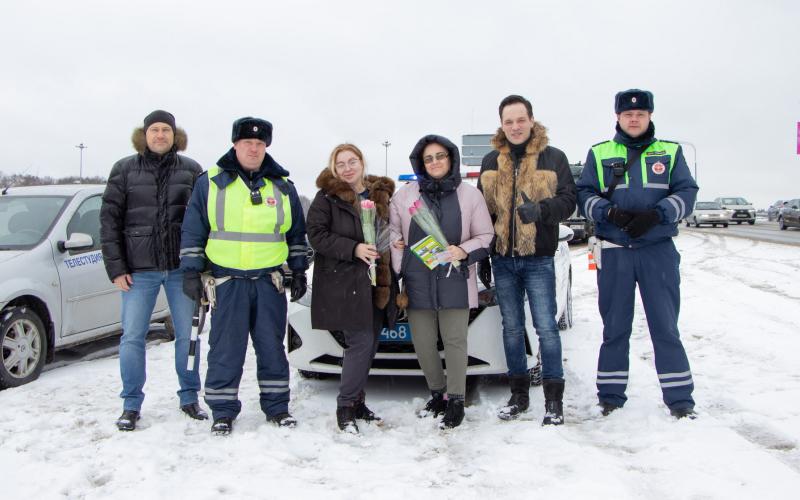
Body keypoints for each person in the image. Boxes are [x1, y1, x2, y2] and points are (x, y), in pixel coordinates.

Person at [179, 117, 309, 435]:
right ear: (235, 145)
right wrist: (191, 272)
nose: (253, 148)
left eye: (260, 144)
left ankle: (277, 408)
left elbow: (296, 233)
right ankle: (222, 411)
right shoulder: (210, 182)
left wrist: (300, 270)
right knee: (226, 349)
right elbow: (193, 229)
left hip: (269, 283)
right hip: (227, 282)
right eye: (247, 143)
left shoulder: (282, 186)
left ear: (266, 147)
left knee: (271, 348)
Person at [576, 89, 698, 419]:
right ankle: (611, 395)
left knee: (665, 326)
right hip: (615, 252)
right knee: (615, 326)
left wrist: (657, 215)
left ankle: (680, 399)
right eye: (628, 114)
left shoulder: (670, 152)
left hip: (657, 250)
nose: (634, 118)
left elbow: (688, 192)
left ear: (650, 116)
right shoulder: (600, 152)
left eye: (641, 114)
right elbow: (583, 194)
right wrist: (609, 213)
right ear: (617, 117)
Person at [101, 109, 206, 431]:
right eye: (154, 130)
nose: (160, 135)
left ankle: (189, 397)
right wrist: (117, 267)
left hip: (180, 270)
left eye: (166, 130)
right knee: (133, 337)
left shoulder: (191, 171)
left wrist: (201, 266)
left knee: (187, 336)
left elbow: (205, 221)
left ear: (175, 136)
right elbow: (109, 221)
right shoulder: (124, 170)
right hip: (139, 271)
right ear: (144, 135)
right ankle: (131, 403)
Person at [478, 95, 576, 425]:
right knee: (512, 329)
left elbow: (569, 202)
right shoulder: (491, 161)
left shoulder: (554, 157)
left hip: (539, 259)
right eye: (509, 121)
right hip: (503, 260)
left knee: (546, 328)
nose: (515, 127)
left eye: (521, 120)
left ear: (532, 120)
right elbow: (482, 212)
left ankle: (553, 401)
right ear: (501, 125)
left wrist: (542, 211)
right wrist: (483, 253)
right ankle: (518, 396)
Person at [390, 135, 493, 429]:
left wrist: (462, 251)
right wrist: (397, 247)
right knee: (422, 343)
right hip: (417, 278)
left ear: (451, 159)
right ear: (420, 164)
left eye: (440, 156)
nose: (435, 162)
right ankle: (438, 394)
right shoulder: (405, 195)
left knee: (455, 341)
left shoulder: (470, 195)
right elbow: (392, 232)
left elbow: (485, 236)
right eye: (428, 158)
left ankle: (457, 399)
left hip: (454, 278)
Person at [306, 144, 397, 433]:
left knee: (369, 345)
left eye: (352, 161)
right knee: (359, 343)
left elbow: (393, 228)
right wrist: (354, 248)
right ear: (334, 168)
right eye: (340, 163)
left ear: (362, 162)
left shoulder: (380, 194)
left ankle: (358, 402)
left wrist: (397, 244)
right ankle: (345, 407)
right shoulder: (327, 198)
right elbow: (317, 236)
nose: (347, 168)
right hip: (345, 281)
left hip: (378, 281)